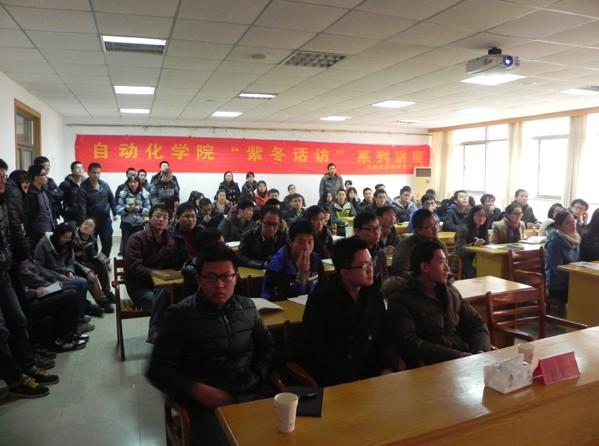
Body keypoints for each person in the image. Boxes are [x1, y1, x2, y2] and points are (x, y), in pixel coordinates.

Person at [146, 243, 274, 446]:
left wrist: (256, 376)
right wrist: (196, 390)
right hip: (205, 405)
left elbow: (267, 348)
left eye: (226, 277)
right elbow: (158, 370)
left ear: (236, 277)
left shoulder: (248, 308)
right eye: (211, 277)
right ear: (199, 279)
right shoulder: (179, 315)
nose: (220, 285)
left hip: (250, 394)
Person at [301, 237, 397, 386]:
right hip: (338, 380)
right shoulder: (321, 301)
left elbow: (384, 336)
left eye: (371, 263)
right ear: (345, 273)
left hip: (374, 376)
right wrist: (350, 379)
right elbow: (316, 351)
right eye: (364, 265)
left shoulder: (374, 295)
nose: (371, 269)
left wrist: (387, 367)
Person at [0, 160, 60, 397]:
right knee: (2, 332)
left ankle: (28, 366)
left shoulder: (4, 202)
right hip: (9, 267)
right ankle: (16, 380)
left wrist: (16, 257)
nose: (4, 182)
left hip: (6, 270)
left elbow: (11, 233)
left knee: (18, 321)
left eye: (4, 176)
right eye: (0, 178)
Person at [383, 240, 491, 367]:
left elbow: (476, 324)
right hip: (427, 367)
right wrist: (458, 357)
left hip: (462, 362)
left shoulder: (450, 292)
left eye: (446, 262)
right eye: (441, 262)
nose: (447, 268)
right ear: (425, 267)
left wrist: (480, 351)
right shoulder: (400, 299)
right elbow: (410, 343)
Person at [125, 204, 185, 343]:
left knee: (181, 300)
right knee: (165, 303)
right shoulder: (136, 239)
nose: (161, 219)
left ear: (169, 221)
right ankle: (157, 334)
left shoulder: (171, 240)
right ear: (150, 218)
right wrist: (158, 274)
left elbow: (174, 265)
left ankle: (172, 338)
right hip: (140, 287)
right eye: (158, 216)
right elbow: (133, 267)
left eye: (165, 217)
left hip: (163, 286)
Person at [33, 223, 97, 324]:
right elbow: (39, 267)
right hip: (50, 279)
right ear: (58, 235)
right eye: (64, 238)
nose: (66, 240)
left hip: (65, 274)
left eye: (69, 238)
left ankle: (80, 314)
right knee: (81, 283)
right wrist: (58, 276)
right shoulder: (43, 244)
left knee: (83, 280)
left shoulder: (68, 243)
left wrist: (69, 271)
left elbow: (70, 261)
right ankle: (78, 319)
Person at [262, 219, 324, 301]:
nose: (306, 247)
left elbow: (322, 288)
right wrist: (302, 274)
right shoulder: (277, 262)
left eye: (310, 242)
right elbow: (285, 297)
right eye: (301, 242)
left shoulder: (316, 259)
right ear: (290, 242)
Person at [72, 218, 114, 314]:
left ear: (93, 231)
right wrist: (86, 269)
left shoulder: (92, 239)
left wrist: (103, 259)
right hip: (74, 265)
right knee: (91, 275)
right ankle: (102, 300)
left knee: (102, 266)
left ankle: (107, 292)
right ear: (80, 225)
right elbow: (70, 260)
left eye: (90, 226)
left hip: (85, 262)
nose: (87, 226)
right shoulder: (73, 237)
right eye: (85, 223)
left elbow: (93, 255)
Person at [391, 209, 447, 278]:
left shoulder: (440, 245)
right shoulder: (407, 245)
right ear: (418, 230)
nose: (435, 229)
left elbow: (445, 268)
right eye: (428, 227)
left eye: (436, 224)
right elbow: (399, 273)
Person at [81, 162, 117, 257]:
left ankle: (104, 260)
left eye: (98, 172)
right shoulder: (83, 188)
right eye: (94, 172)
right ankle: (94, 262)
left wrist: (115, 212)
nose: (96, 175)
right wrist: (84, 223)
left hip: (105, 221)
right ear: (88, 173)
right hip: (91, 222)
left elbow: (111, 199)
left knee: (107, 243)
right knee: (92, 245)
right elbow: (82, 207)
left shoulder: (104, 185)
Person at [544, 211, 580, 307]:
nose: (573, 225)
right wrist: (575, 283)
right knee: (587, 294)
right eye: (568, 223)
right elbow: (558, 270)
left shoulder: (576, 238)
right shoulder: (554, 243)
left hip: (573, 280)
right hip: (558, 285)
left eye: (574, 221)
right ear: (559, 226)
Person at [116, 175, 151, 256]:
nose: (132, 184)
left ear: (138, 183)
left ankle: (137, 262)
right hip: (126, 224)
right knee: (126, 246)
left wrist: (140, 209)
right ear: (127, 183)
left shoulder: (144, 194)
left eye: (135, 182)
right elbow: (117, 210)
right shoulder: (123, 194)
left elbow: (149, 210)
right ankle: (126, 262)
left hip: (139, 224)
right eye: (130, 182)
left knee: (139, 246)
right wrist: (126, 209)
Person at [25, 164, 55, 249]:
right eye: (43, 175)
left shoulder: (44, 191)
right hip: (36, 234)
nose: (46, 177)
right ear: (35, 177)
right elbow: (28, 216)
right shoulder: (30, 194)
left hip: (49, 231)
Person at [353, 212, 387, 285]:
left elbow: (384, 279)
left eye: (378, 228)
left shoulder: (379, 251)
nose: (377, 232)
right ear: (357, 231)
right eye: (370, 229)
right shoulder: (350, 251)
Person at [455, 205, 488, 278]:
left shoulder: (483, 229)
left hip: (480, 258)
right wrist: (473, 244)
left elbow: (487, 245)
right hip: (466, 259)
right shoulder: (464, 229)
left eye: (484, 216)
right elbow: (460, 250)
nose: (481, 218)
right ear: (472, 215)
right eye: (478, 215)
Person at [33, 156, 63, 224]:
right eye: (45, 166)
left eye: (49, 165)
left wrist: (50, 193)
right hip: (41, 216)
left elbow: (60, 194)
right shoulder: (34, 182)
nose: (48, 168)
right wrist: (52, 193)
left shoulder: (50, 180)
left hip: (53, 213)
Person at [59, 161, 86, 226]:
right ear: (72, 171)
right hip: (70, 217)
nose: (80, 170)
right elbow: (57, 199)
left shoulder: (86, 184)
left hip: (84, 216)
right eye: (77, 168)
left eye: (81, 168)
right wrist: (63, 211)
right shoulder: (66, 184)